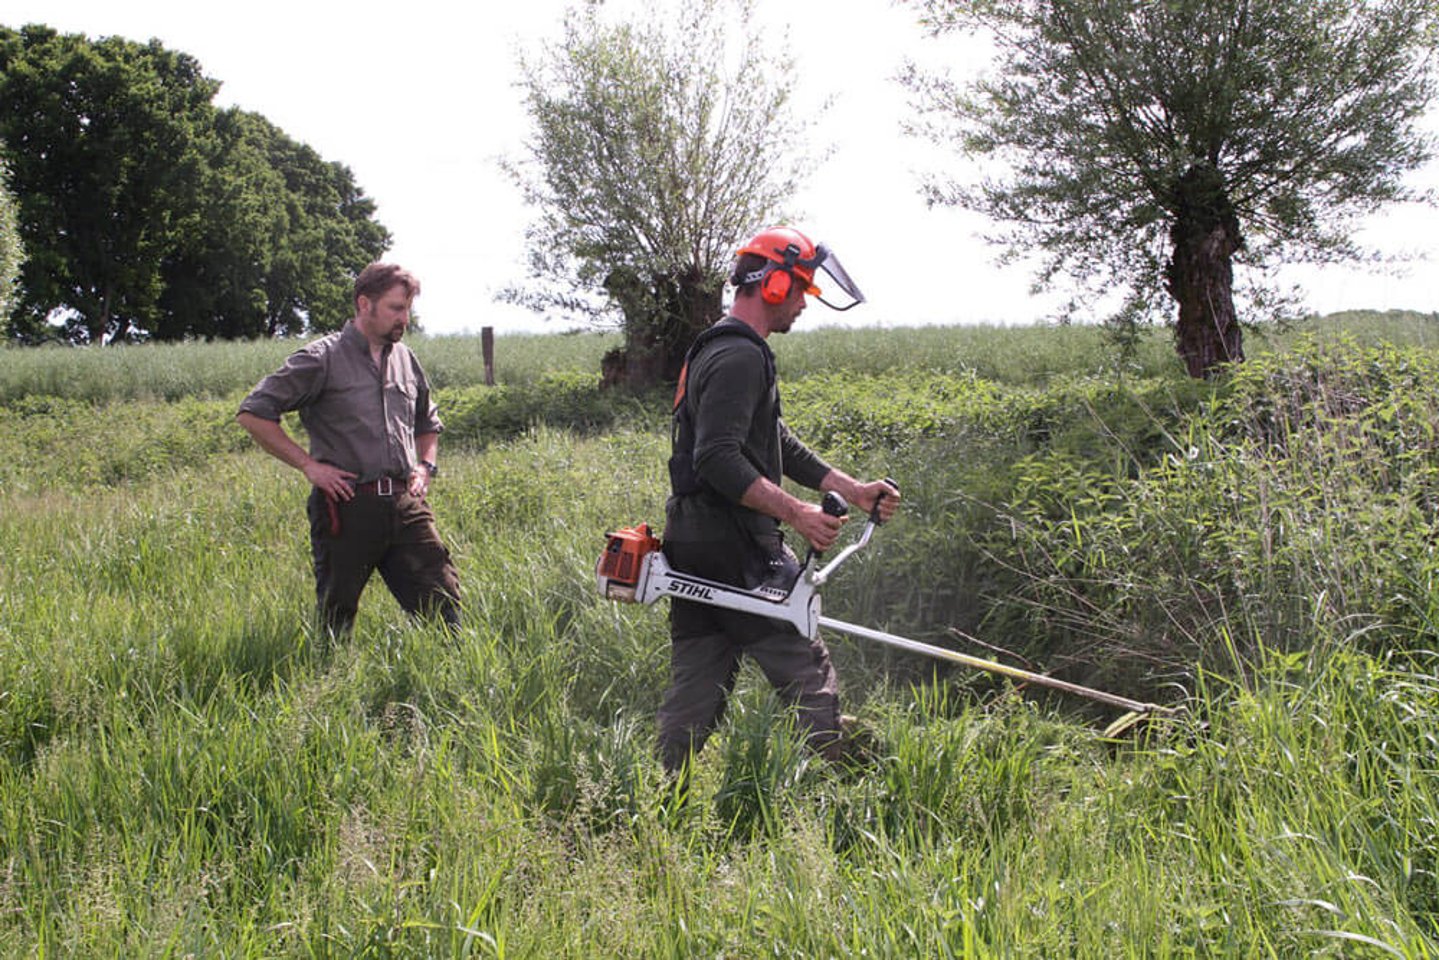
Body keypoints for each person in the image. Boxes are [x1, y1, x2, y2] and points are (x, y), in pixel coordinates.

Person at [657, 225, 899, 776]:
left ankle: (662, 803)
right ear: (773, 286)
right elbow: (717, 459)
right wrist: (798, 513)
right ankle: (834, 792)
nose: (803, 304)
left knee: (698, 680)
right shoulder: (741, 356)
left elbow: (772, 441)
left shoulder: (718, 346)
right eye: (801, 290)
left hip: (693, 541)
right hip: (737, 542)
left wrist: (849, 490)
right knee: (802, 658)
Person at [236, 262, 460, 637]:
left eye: (407, 309)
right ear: (364, 304)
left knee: (444, 608)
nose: (404, 318)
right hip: (346, 506)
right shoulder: (321, 358)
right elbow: (253, 413)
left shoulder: (406, 359)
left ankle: (447, 686)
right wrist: (310, 467)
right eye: (395, 308)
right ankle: (330, 684)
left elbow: (427, 421)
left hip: (406, 506)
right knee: (336, 618)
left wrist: (425, 466)